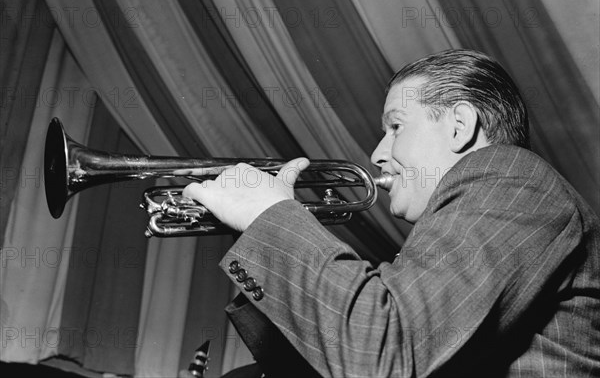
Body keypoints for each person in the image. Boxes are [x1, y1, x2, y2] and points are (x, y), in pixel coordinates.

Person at [183, 49, 600, 377]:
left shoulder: (512, 178)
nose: (378, 154)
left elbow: (382, 352)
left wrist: (271, 217)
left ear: (459, 125)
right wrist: (264, 235)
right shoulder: (467, 222)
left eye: (396, 127)